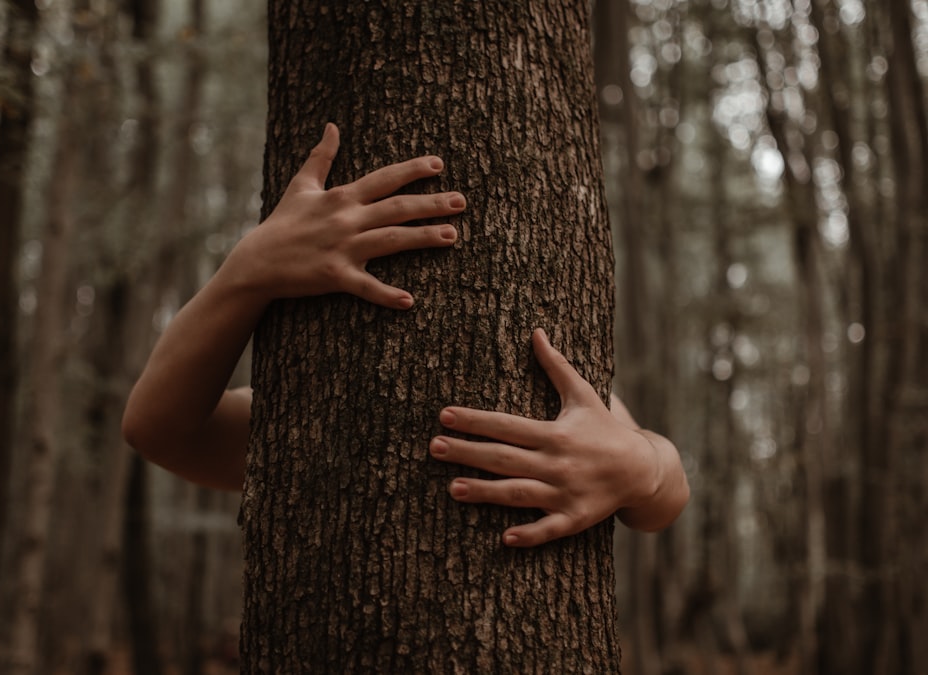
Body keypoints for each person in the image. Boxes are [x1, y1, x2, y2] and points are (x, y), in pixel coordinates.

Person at [122, 123, 689, 547]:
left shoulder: (569, 390)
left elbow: (664, 494)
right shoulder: (311, 411)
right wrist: (246, 273)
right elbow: (160, 428)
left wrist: (643, 465)